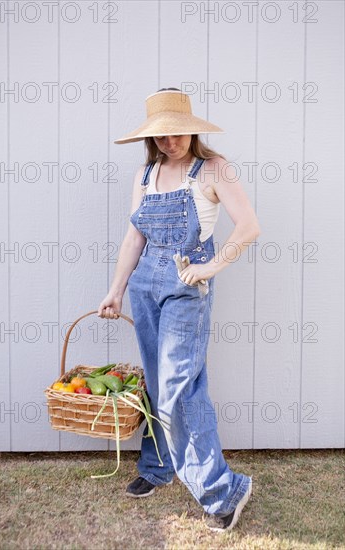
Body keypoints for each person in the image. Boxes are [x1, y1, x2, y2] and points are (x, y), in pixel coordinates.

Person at [98, 87, 260, 531]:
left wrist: (209, 267)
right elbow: (135, 238)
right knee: (157, 380)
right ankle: (158, 466)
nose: (171, 143)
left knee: (177, 387)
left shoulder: (213, 169)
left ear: (192, 128)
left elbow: (248, 227)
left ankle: (224, 490)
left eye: (178, 134)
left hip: (187, 286)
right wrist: (116, 289)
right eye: (162, 137)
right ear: (151, 138)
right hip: (145, 284)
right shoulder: (146, 174)